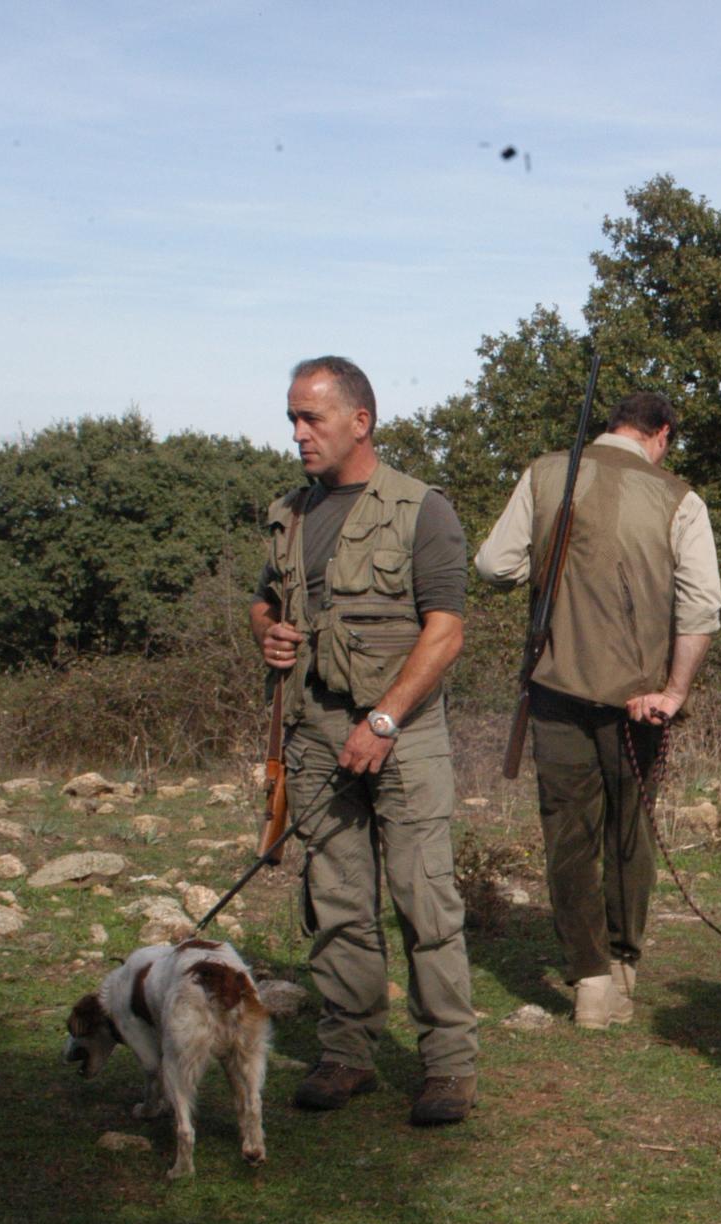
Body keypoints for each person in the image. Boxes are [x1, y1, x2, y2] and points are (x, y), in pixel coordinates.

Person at [251, 356, 480, 1125]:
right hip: (314, 733)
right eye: (292, 417)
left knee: (425, 901)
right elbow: (263, 603)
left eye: (311, 417)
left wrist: (383, 719)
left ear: (361, 420)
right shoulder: (289, 512)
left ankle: (448, 1066)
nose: (297, 433)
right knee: (337, 900)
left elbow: (445, 633)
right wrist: (271, 635)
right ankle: (346, 1052)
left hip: (402, 736)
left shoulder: (423, 510)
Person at [475, 392, 721, 1029]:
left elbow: (494, 566)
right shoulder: (681, 498)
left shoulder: (544, 472)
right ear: (661, 434)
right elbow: (700, 609)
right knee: (629, 830)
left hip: (554, 686)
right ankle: (622, 966)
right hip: (642, 702)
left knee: (568, 834)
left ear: (613, 424)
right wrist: (675, 692)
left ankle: (587, 983)